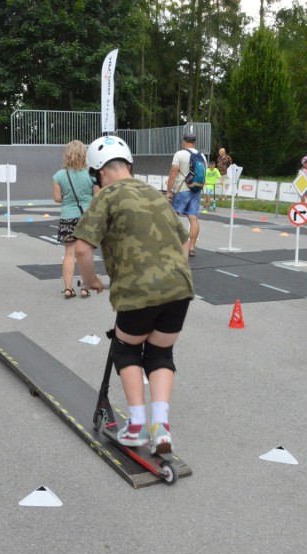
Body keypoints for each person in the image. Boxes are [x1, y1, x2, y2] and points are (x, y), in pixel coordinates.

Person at [74, 135, 194, 455]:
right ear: (129, 165)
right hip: (179, 288)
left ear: (98, 173)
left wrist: (91, 281)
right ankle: (162, 428)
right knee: (159, 354)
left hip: (138, 291)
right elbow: (184, 241)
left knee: (126, 347)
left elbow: (83, 247)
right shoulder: (155, 194)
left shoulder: (107, 196)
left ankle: (137, 426)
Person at [51, 140, 98, 299]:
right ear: (84, 154)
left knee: (69, 254)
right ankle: (85, 288)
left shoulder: (59, 175)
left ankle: (68, 289)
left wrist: (69, 198)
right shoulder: (91, 174)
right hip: (87, 217)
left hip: (68, 216)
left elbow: (57, 198)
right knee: (86, 253)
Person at [166, 132, 207, 257]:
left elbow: (173, 173)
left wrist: (169, 191)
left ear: (184, 141)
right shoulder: (202, 156)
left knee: (174, 217)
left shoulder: (179, 154)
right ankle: (192, 247)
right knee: (193, 218)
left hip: (181, 189)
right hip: (196, 189)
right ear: (194, 142)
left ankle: (174, 245)